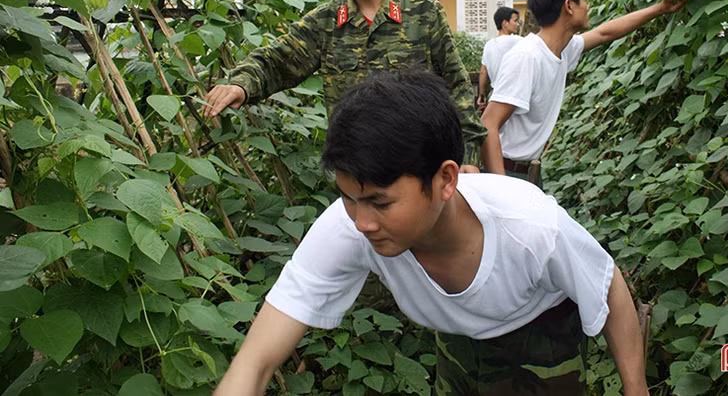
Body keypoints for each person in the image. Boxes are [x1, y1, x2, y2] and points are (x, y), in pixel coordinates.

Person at [213, 70, 649, 396]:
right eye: (348, 197)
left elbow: (608, 286)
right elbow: (256, 359)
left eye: (381, 202)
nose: (362, 222)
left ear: (445, 180)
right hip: (455, 338)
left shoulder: (531, 227)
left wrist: (636, 390)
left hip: (541, 330)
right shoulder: (349, 224)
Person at [203, 0, 486, 168]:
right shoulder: (326, 22)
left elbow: (457, 90)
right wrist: (241, 85)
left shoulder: (423, 14)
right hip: (355, 174)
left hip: (417, 171)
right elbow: (276, 61)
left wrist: (469, 160)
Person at [481, 0, 685, 182]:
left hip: (527, 171)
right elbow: (488, 123)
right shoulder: (527, 57)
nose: (587, 6)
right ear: (569, 6)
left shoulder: (562, 48)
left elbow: (604, 33)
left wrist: (659, 9)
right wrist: (503, 191)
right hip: (507, 172)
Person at [477, 6, 521, 112]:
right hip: (513, 95)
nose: (518, 24)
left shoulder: (489, 45)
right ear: (505, 23)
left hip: (495, 95)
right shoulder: (517, 41)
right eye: (515, 21)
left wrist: (482, 95)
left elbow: (483, 72)